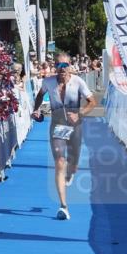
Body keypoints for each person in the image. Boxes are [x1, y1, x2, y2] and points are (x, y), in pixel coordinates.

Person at [33, 55, 98, 220]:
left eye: (65, 64)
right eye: (59, 64)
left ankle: (70, 173)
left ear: (70, 66)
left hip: (75, 125)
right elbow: (40, 95)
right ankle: (63, 206)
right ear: (55, 66)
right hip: (57, 125)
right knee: (60, 161)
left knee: (73, 162)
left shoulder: (78, 82)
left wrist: (80, 114)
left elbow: (92, 102)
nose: (62, 67)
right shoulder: (48, 82)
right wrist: (36, 109)